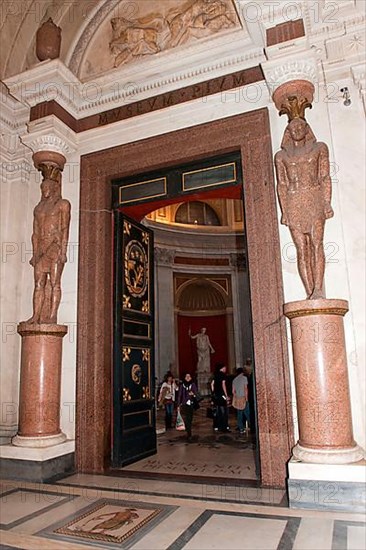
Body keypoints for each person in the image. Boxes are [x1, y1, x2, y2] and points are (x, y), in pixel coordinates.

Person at [275, 115, 334, 300]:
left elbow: (325, 176)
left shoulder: (319, 148)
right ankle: (310, 292)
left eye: (301, 128)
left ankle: (318, 289)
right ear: (288, 133)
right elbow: (282, 184)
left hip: (314, 197)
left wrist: (326, 202)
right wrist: (284, 211)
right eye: (293, 129)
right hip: (293, 201)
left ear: (307, 129)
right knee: (301, 249)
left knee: (317, 244)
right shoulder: (281, 156)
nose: (297, 131)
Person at [26, 173, 71, 324]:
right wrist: (34, 254)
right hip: (42, 249)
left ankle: (53, 315)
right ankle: (35, 315)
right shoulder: (38, 208)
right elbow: (35, 233)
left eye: (47, 186)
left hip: (55, 247)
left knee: (54, 283)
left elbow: (65, 228)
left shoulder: (63, 204)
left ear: (53, 188)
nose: (44, 189)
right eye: (42, 187)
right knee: (39, 283)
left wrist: (63, 252)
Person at [177, 372, 198, 441]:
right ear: (184, 378)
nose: (188, 378)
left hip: (191, 404)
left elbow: (196, 393)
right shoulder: (182, 385)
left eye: (189, 376)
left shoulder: (193, 385)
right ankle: (189, 434)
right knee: (187, 418)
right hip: (184, 404)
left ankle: (188, 428)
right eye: (186, 376)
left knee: (190, 418)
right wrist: (178, 405)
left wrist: (193, 394)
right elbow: (179, 395)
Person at [211, 363, 230, 432]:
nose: (225, 369)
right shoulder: (223, 375)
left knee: (217, 411)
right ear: (221, 368)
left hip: (216, 395)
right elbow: (223, 385)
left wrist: (214, 392)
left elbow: (212, 384)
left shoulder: (215, 375)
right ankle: (224, 427)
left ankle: (217, 426)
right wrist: (226, 395)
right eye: (225, 368)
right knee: (224, 411)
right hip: (222, 395)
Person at [232, 367, 248, 434]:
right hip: (243, 397)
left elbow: (233, 391)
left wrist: (236, 397)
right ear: (242, 372)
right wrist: (246, 398)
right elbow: (245, 389)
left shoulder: (234, 380)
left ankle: (241, 428)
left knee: (239, 414)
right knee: (247, 412)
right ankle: (253, 426)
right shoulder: (244, 378)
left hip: (238, 398)